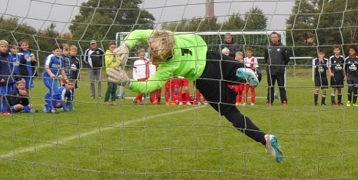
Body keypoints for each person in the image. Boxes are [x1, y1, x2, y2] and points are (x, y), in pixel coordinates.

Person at [107, 29, 284, 163]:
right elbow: (139, 33)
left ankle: (265, 139)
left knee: (231, 112)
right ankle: (245, 73)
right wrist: (127, 45)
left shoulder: (169, 66)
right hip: (212, 57)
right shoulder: (167, 36)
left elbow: (149, 85)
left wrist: (128, 82)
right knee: (253, 73)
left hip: (205, 79)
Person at [263, 31, 291, 106]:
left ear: (278, 38)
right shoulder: (267, 47)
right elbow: (266, 58)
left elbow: (287, 58)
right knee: (270, 86)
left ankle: (284, 101)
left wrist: (282, 66)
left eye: (275, 37)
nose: (274, 38)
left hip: (280, 70)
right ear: (270, 38)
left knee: (281, 86)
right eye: (272, 37)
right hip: (270, 70)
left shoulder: (283, 47)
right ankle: (270, 101)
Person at [0, 40, 17, 115]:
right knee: (0, 94)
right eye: (2, 46)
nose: (4, 48)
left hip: (9, 80)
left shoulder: (9, 57)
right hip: (2, 80)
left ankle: (5, 110)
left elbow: (11, 69)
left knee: (7, 95)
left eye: (5, 46)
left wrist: (15, 78)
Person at [43, 43, 67, 113]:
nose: (58, 53)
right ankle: (50, 108)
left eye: (60, 51)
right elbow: (46, 66)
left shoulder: (61, 59)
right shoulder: (51, 57)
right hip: (47, 78)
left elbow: (62, 70)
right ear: (53, 51)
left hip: (54, 79)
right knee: (56, 93)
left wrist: (65, 79)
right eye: (57, 51)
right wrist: (50, 74)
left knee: (54, 93)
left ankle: (47, 103)